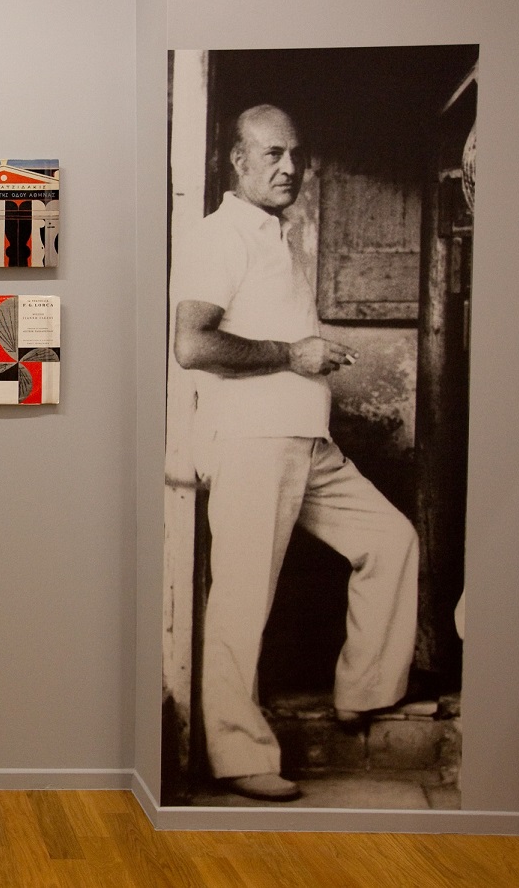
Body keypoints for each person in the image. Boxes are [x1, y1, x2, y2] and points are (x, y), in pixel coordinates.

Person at [172, 104, 419, 803]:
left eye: (295, 155)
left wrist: (300, 361)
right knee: (242, 599)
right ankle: (238, 756)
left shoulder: (271, 235)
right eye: (271, 154)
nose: (288, 168)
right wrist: (293, 353)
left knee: (390, 541)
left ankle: (363, 690)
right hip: (252, 442)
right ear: (238, 162)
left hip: (305, 439)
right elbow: (192, 345)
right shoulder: (218, 236)